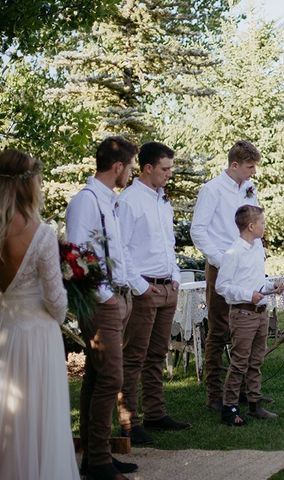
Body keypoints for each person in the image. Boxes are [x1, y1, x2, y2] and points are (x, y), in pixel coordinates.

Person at [0, 149, 80, 480]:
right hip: (38, 337)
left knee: (7, 416)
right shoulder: (41, 233)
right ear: (30, 183)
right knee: (40, 420)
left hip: (4, 331)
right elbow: (56, 300)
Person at [66, 136, 139, 480]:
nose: (131, 173)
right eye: (130, 167)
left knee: (97, 378)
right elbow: (79, 255)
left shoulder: (109, 200)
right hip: (101, 303)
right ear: (118, 167)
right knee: (111, 377)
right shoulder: (86, 202)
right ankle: (97, 462)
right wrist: (106, 296)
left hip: (116, 299)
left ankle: (97, 456)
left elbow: (114, 250)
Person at [116, 142, 191, 446]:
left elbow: (167, 243)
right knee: (134, 356)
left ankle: (156, 413)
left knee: (158, 354)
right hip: (144, 287)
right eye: (165, 169)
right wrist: (140, 286)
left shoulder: (163, 201)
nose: (170, 174)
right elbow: (120, 249)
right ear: (147, 168)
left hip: (166, 286)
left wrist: (174, 276)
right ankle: (128, 423)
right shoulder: (130, 201)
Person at [191, 140, 268, 412]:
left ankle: (246, 392)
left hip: (248, 265)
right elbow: (198, 230)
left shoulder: (249, 188)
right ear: (234, 165)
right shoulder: (211, 190)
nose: (253, 172)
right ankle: (215, 393)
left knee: (249, 329)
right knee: (219, 328)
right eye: (250, 166)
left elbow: (255, 224)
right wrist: (220, 260)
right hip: (223, 264)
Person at [215, 205, 284, 425]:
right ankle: (230, 408)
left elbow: (256, 280)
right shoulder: (233, 253)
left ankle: (255, 404)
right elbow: (222, 286)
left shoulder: (257, 247)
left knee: (256, 361)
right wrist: (247, 294)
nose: (265, 226)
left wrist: (272, 286)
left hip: (260, 313)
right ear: (251, 226)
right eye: (262, 223)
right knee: (239, 363)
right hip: (243, 314)